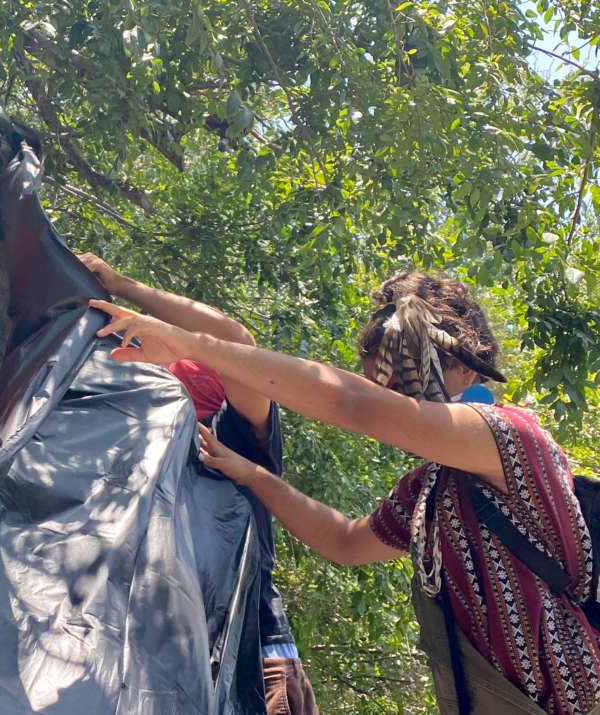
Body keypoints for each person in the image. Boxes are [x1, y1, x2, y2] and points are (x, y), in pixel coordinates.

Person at [90, 272, 600, 715]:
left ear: (468, 368)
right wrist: (255, 476)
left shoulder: (511, 437)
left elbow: (355, 405)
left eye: (409, 378)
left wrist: (189, 344)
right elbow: (346, 542)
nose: (397, 398)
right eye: (385, 382)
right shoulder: (428, 493)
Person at [79, 253, 319, 714]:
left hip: (256, 660)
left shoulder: (234, 440)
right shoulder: (141, 461)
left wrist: (122, 284)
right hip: (161, 669)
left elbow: (237, 342)